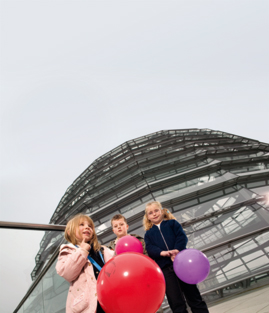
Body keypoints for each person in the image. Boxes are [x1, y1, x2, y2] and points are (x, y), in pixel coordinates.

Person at [144, 201, 209, 313]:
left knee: (194, 296)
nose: (154, 214)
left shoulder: (173, 223)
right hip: (166, 270)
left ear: (162, 211)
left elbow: (182, 237)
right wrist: (162, 253)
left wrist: (176, 251)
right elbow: (150, 249)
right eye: (150, 213)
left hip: (183, 266)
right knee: (175, 301)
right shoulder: (148, 234)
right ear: (148, 217)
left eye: (156, 210)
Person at [56, 213, 114, 313]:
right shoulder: (68, 250)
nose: (87, 227)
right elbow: (67, 273)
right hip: (89, 306)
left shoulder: (102, 250)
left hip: (108, 299)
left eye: (90, 226)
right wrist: (82, 251)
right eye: (81, 225)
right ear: (70, 232)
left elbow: (116, 266)